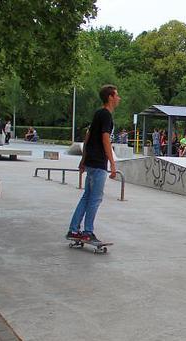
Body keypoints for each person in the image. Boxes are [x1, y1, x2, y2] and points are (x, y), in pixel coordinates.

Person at [66, 84, 120, 244]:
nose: (118, 98)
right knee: (95, 198)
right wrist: (112, 163)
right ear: (110, 97)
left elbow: (87, 136)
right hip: (98, 163)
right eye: (116, 95)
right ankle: (88, 231)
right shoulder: (106, 115)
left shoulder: (98, 113)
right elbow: (105, 138)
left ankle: (74, 230)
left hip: (91, 162)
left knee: (86, 197)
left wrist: (83, 160)